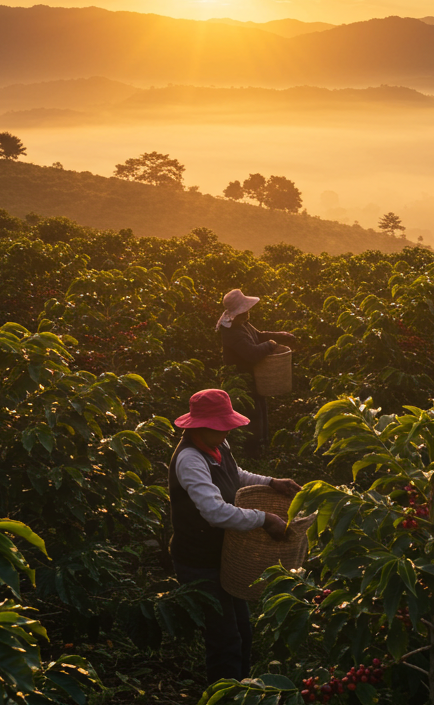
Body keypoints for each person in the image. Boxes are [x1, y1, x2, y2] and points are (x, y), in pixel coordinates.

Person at [167, 388, 302, 683]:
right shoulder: (190, 459)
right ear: (202, 426)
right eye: (222, 424)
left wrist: (270, 481)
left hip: (223, 556)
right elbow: (215, 512)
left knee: (242, 630)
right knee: (224, 639)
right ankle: (224, 694)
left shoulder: (218, 445)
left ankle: (241, 692)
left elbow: (235, 474)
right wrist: (264, 519)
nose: (228, 429)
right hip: (199, 561)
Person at [216, 289, 296, 452]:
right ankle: (252, 452)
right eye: (245, 310)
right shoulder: (232, 332)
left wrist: (280, 335)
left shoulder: (241, 323)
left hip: (251, 376)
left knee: (259, 407)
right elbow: (252, 353)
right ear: (239, 312)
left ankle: (261, 446)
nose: (248, 313)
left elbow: (258, 335)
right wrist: (271, 344)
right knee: (250, 414)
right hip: (240, 380)